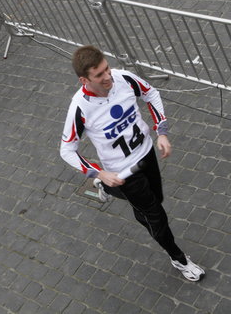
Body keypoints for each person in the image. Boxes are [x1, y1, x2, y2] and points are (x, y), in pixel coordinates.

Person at [60, 45, 205, 282]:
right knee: (155, 215)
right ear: (84, 80)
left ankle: (106, 188)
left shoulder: (123, 78)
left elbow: (151, 93)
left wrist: (162, 131)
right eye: (99, 75)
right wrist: (99, 172)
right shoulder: (80, 108)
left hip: (147, 154)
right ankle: (179, 258)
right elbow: (66, 149)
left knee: (156, 200)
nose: (108, 77)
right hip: (124, 172)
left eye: (107, 69)